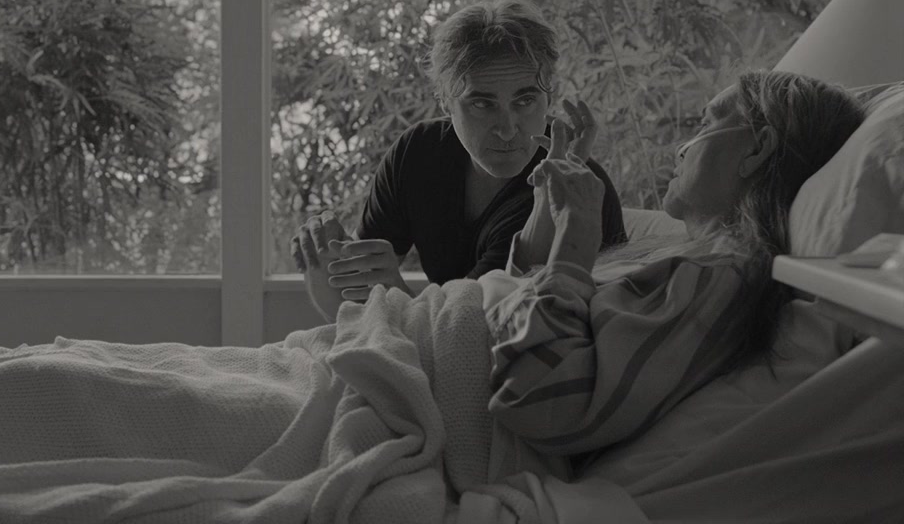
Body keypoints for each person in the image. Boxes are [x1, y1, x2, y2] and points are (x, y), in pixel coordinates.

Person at [304, 70, 865, 470]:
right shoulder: (677, 258)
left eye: (705, 124)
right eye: (481, 103)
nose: (681, 147)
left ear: (758, 149)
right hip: (412, 346)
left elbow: (543, 402)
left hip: (429, 382)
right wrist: (551, 210)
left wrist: (576, 238)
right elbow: (527, 300)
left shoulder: (718, 279)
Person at [291, 0, 626, 320]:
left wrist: (393, 289)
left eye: (525, 101)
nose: (507, 129)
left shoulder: (569, 187)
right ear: (444, 102)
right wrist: (325, 264)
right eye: (482, 104)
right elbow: (358, 309)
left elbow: (472, 335)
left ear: (548, 97)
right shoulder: (418, 154)